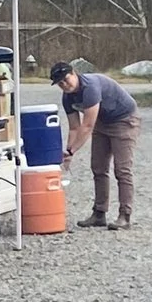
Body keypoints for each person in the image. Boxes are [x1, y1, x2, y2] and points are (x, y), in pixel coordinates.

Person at [51, 56, 139, 229]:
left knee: (122, 169)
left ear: (74, 74)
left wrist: (72, 150)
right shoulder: (67, 98)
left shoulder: (90, 87)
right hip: (102, 122)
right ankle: (99, 213)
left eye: (66, 80)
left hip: (124, 120)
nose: (65, 85)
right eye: (60, 83)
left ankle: (124, 215)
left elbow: (87, 125)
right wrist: (68, 152)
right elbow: (75, 128)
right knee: (98, 167)